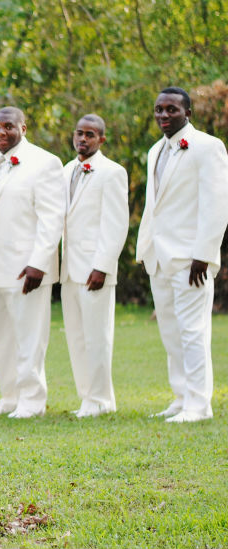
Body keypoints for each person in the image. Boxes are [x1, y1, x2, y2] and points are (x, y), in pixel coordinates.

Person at [136, 87, 228, 423]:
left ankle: (198, 405)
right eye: (159, 109)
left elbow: (216, 205)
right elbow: (154, 206)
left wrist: (203, 254)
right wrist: (145, 249)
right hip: (159, 257)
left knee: (192, 331)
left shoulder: (208, 147)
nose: (163, 115)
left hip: (192, 260)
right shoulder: (154, 151)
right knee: (171, 332)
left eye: (171, 110)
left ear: (187, 112)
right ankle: (181, 396)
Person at [0, 107, 64, 419]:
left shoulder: (45, 163)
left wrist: (39, 262)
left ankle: (32, 400)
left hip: (26, 267)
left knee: (29, 338)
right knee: (0, 338)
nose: (1, 132)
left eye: (8, 127)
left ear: (23, 128)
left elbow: (51, 218)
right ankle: (10, 397)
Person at [60, 115, 129, 418]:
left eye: (90, 135)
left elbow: (115, 224)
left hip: (94, 269)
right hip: (68, 270)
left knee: (97, 337)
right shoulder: (65, 171)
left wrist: (102, 266)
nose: (83, 139)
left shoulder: (112, 172)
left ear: (102, 139)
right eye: (79, 133)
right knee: (76, 336)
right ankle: (86, 397)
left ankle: (102, 399)